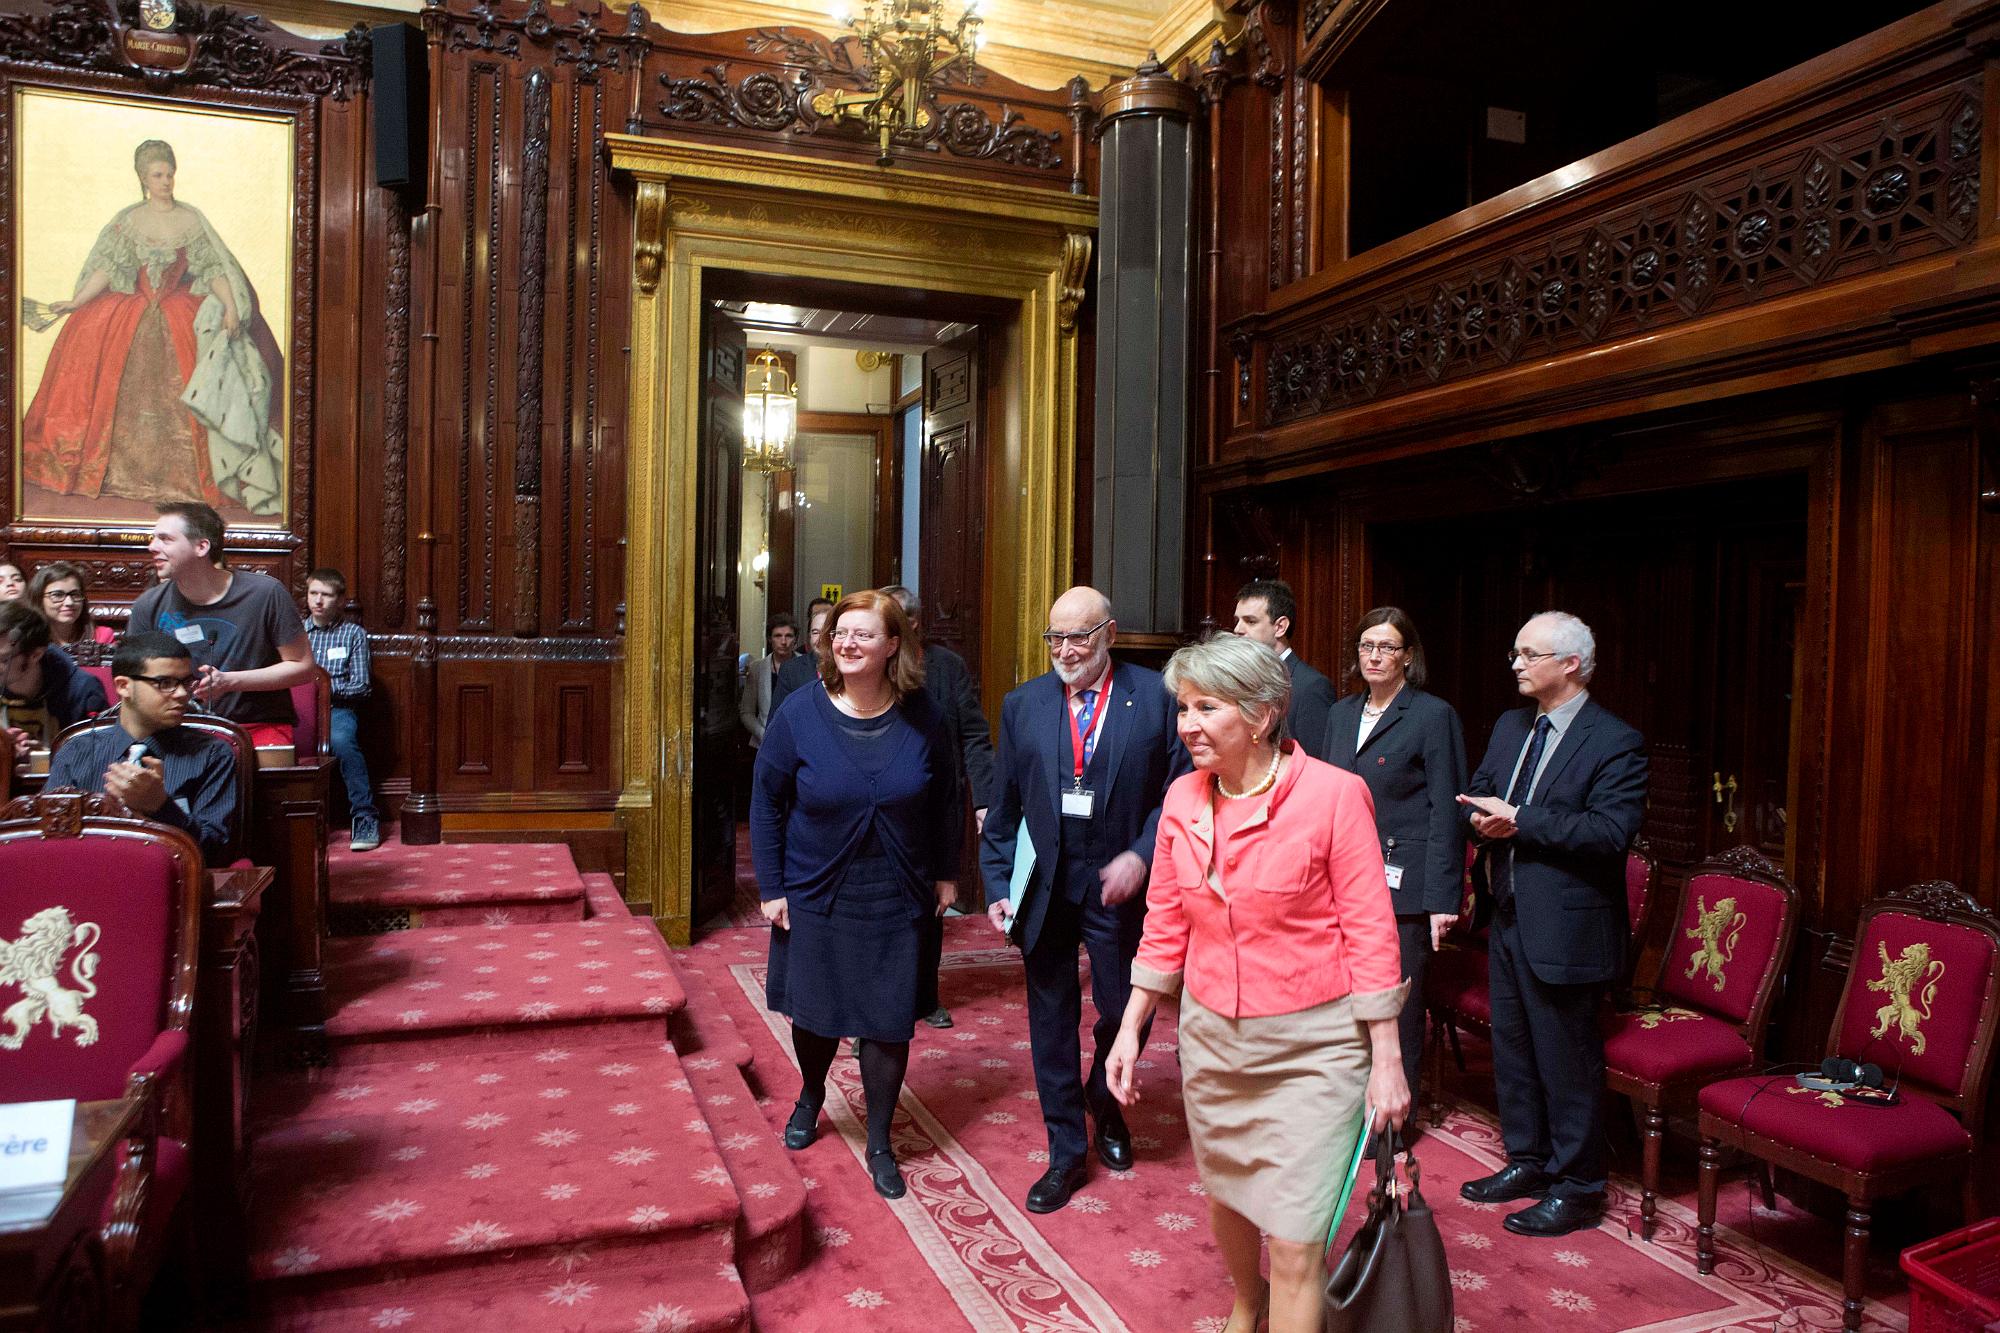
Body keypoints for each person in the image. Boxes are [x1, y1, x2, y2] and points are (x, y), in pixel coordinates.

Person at [1106, 633, 1408, 1333]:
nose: (1187, 724)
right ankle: (1249, 1302)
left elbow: (1371, 932)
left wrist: (1386, 1062)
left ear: (1261, 714)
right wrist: (1130, 1026)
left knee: (1299, 1235)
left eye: (1206, 707)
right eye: (1183, 707)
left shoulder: (1336, 796)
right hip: (1213, 1041)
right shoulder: (1181, 799)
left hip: (1316, 1049)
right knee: (1229, 1197)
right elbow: (1164, 924)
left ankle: (1284, 1301)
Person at [980, 585, 1186, 1213]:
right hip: (1045, 886)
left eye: (1079, 636)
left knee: (1126, 1009)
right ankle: (1066, 1152)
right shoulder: (1024, 705)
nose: (1066, 650)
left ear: (1111, 634)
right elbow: (1004, 806)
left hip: (1121, 887)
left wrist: (1143, 856)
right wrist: (996, 887)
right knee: (1050, 1020)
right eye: (1055, 638)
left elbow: (1178, 796)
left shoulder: (1155, 698)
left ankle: (1106, 1101)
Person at [752, 589, 962, 1201]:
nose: (847, 642)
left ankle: (878, 1139)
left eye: (864, 634)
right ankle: (812, 1092)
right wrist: (772, 887)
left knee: (888, 1020)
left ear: (893, 645)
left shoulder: (925, 715)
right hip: (818, 886)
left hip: (898, 888)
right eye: (841, 632)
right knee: (815, 1012)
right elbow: (766, 803)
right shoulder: (799, 712)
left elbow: (947, 796)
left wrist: (947, 872)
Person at [1456, 611, 1647, 1238]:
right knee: (1512, 1051)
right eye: (1515, 652)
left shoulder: (1615, 740)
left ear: (1570, 664)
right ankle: (1529, 1162)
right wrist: (1481, 818)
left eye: (1528, 654)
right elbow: (1484, 788)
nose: (1515, 663)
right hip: (1506, 912)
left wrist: (1521, 821)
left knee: (1566, 1061)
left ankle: (1579, 1186)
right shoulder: (1514, 724)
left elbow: (1609, 832)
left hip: (1568, 927)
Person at [20, 139, 285, 518]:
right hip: (128, 317)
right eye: (157, 175)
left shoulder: (191, 220)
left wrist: (229, 305)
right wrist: (77, 302)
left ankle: (192, 482)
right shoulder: (129, 220)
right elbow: (109, 269)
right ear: (144, 179)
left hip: (179, 313)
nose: (166, 181)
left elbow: (212, 269)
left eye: (169, 174)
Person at [1322, 606, 1467, 1126]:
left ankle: (1393, 1124)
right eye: (1366, 646)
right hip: (1340, 879)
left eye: (1386, 647)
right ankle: (1347, 1108)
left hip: (1403, 886)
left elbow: (1445, 813)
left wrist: (1441, 901)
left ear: (1408, 656)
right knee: (1341, 999)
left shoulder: (1432, 715)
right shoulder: (1340, 715)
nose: (1374, 656)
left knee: (1397, 1007)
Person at [883, 584, 997, 1030]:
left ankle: (925, 997)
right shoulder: (870, 665)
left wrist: (984, 799)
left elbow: (973, 734)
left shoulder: (947, 667)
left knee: (930, 907)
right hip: (883, 807)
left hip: (934, 806)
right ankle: (876, 1014)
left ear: (912, 624)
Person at [126, 501, 313, 745]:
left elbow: (302, 667)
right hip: (177, 730)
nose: (152, 547)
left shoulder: (266, 594)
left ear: (202, 546)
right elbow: (131, 678)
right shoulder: (147, 605)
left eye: (165, 539)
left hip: (255, 729)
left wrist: (230, 682)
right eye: (153, 538)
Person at [46, 630, 239, 864]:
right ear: (124, 686)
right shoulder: (76, 751)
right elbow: (49, 839)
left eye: (186, 683)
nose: (181, 694)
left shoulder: (212, 753)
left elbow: (216, 854)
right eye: (165, 683)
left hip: (175, 889)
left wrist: (161, 807)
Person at [304, 568, 381, 852]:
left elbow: (361, 686)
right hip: (299, 711)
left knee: (342, 742)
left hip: (338, 709)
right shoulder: (298, 633)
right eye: (314, 593)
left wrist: (324, 688)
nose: (318, 601)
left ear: (339, 599)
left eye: (326, 595)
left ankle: (364, 816)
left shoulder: (353, 634)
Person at [1232, 578, 1336, 756]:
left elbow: (1316, 763)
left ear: (1280, 627)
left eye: (1250, 621)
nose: (1237, 629)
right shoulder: (1237, 678)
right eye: (1238, 620)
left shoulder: (1310, 686)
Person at [0, 601, 110, 757]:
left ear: (35, 655)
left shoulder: (82, 691)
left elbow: (99, 757)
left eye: (3, 659)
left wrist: (47, 757)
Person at [739, 612, 799, 749]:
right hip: (764, 743)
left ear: (795, 639)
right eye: (778, 636)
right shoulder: (757, 668)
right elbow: (746, 712)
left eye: (788, 636)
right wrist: (763, 733)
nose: (783, 642)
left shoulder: (806, 665)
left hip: (797, 743)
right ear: (770, 639)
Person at [26, 562, 116, 647]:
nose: (69, 602)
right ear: (39, 598)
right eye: (57, 595)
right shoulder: (28, 640)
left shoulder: (102, 637)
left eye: (75, 594)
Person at [771, 596, 834, 712]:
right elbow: (777, 719)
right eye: (815, 632)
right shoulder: (791, 670)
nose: (821, 639)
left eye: (827, 632)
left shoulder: (851, 668)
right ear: (809, 636)